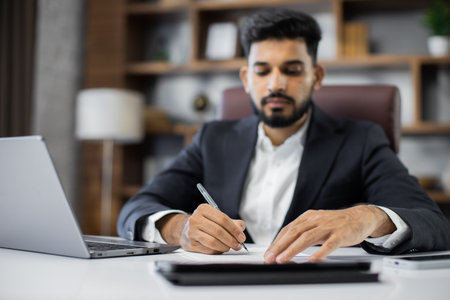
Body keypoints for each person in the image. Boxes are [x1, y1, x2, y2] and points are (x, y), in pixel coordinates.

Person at [117, 10, 450, 263]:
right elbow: (136, 208)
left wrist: (369, 217)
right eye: (263, 71)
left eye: (292, 70)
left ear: (316, 76)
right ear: (247, 78)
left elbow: (434, 224)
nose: (276, 84)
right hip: (221, 286)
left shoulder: (361, 139)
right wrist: (180, 228)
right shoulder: (212, 138)